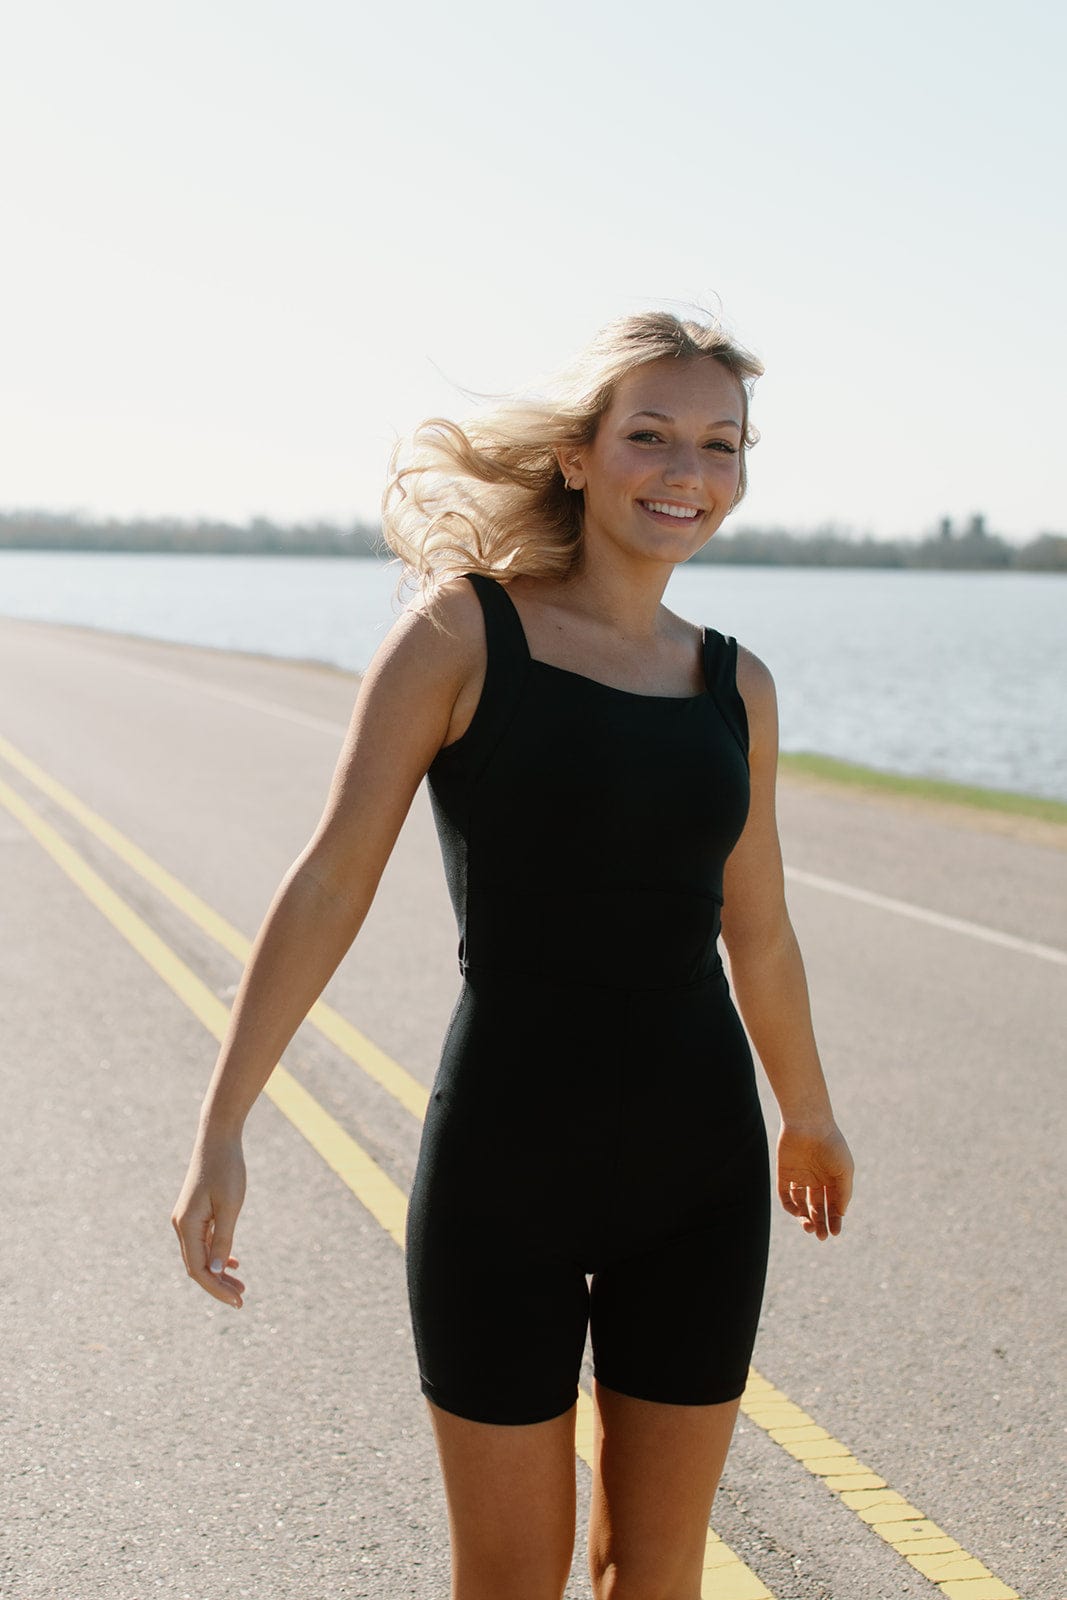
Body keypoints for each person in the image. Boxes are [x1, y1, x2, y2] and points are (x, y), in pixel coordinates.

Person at [172, 309, 854, 1600]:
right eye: (649, 434)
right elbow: (329, 883)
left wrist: (808, 1111)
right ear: (582, 457)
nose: (684, 470)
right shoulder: (461, 635)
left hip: (698, 1181)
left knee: (655, 1577)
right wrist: (224, 1120)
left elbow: (757, 928)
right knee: (510, 1579)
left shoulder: (735, 688)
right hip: (504, 1175)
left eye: (719, 444)